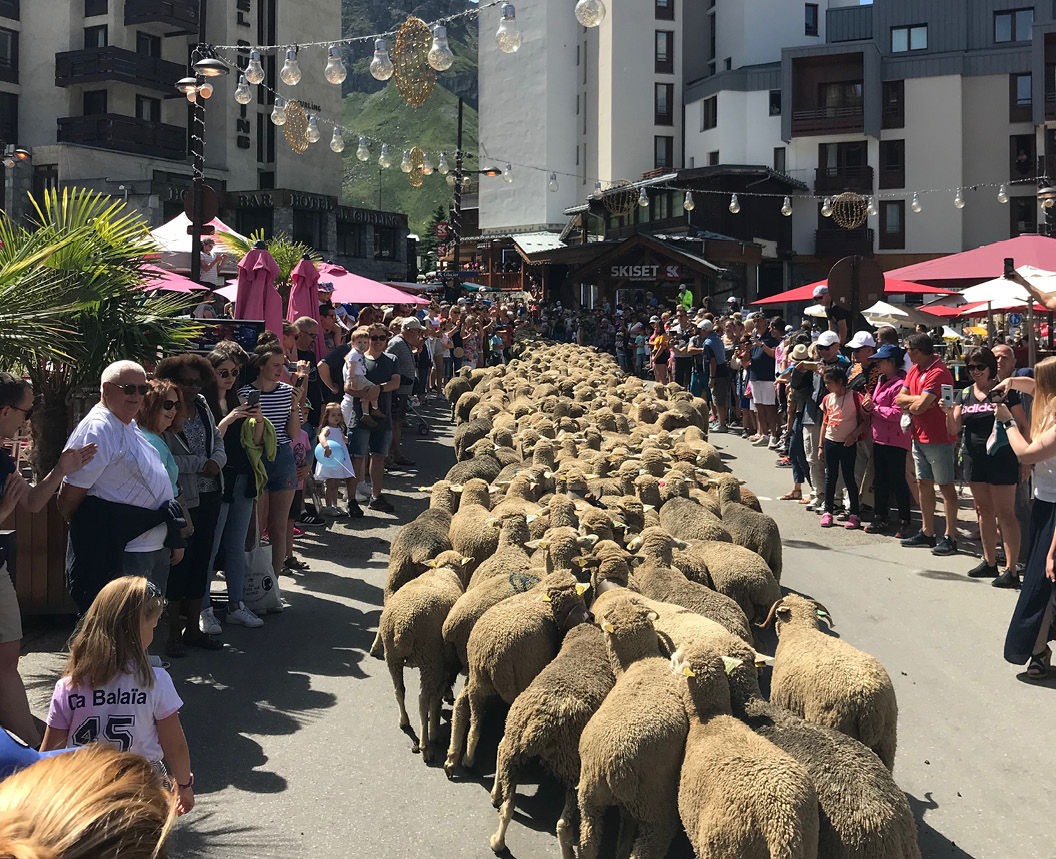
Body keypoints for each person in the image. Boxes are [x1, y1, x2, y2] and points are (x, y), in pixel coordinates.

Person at [40, 577, 194, 815]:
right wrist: (184, 785)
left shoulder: (69, 685)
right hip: (141, 782)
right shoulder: (155, 681)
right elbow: (175, 746)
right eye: (152, 626)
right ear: (136, 629)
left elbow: (50, 753)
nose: (153, 632)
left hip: (85, 784)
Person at [0, 375, 96, 747]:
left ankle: (33, 745)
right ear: (6, 410)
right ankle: (34, 747)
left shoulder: (4, 461)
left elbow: (34, 503)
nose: (27, 420)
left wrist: (62, 469)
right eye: (26, 411)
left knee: (8, 659)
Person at [58, 362, 180, 611]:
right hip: (125, 549)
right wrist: (96, 532)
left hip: (150, 543)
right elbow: (70, 497)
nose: (136, 396)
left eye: (142, 389)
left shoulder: (126, 422)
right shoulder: (98, 428)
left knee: (145, 624)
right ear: (107, 389)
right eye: (129, 389)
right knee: (121, 628)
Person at [155, 354, 226, 658]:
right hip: (184, 498)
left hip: (211, 495)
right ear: (171, 380)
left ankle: (193, 630)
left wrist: (217, 461)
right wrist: (201, 464)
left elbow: (218, 441)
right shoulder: (164, 412)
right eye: (187, 381)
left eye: (198, 382)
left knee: (202, 563)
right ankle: (173, 635)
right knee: (179, 565)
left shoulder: (203, 407)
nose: (194, 388)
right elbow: (161, 457)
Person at [940, 347, 1027, 587]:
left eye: (980, 366)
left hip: (1002, 456)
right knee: (984, 512)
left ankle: (1011, 569)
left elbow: (1023, 424)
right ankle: (989, 562)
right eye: (971, 367)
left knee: (1006, 514)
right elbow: (954, 429)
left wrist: (1025, 460)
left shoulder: (1004, 391)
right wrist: (948, 412)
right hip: (973, 457)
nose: (976, 371)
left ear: (990, 367)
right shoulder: (964, 393)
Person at [0, 745, 178, 857]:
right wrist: (184, 784)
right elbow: (175, 743)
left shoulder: (67, 689)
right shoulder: (155, 685)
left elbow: (55, 736)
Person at [996, 357, 1056, 680]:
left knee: (1041, 584)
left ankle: (1037, 650)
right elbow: (1034, 385)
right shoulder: (1049, 401)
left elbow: (1026, 454)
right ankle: (1039, 649)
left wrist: (1007, 422)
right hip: (1044, 505)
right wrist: (1010, 383)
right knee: (1041, 584)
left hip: (1054, 511)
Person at [202, 343, 265, 632]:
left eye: (234, 372)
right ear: (211, 372)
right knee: (210, 546)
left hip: (241, 477)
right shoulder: (203, 403)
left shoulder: (240, 398)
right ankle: (202, 609)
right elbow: (208, 441)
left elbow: (256, 442)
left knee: (237, 546)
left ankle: (236, 605)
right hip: (216, 481)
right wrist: (229, 418)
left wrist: (258, 418)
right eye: (223, 372)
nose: (229, 377)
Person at [240, 343, 306, 580]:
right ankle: (253, 580)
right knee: (255, 526)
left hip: (282, 456)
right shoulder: (245, 393)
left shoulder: (288, 392)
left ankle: (274, 580)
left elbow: (293, 432)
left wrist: (294, 406)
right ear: (261, 366)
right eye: (276, 365)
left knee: (279, 526)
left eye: (284, 365)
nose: (281, 370)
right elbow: (250, 436)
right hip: (257, 458)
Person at [897, 333, 959, 556]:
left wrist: (916, 400)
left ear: (916, 350)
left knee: (945, 486)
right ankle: (928, 531)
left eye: (907, 349)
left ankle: (950, 537)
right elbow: (899, 399)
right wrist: (920, 398)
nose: (906, 353)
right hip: (918, 435)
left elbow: (919, 406)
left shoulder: (938, 371)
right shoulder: (915, 369)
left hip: (939, 438)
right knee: (923, 483)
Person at [345, 324, 401, 514]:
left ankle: (376, 496)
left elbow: (396, 382)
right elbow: (347, 386)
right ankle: (351, 499)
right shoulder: (356, 358)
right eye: (373, 337)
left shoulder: (391, 359)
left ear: (386, 340)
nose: (377, 341)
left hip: (383, 416)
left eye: (381, 338)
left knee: (378, 457)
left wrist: (379, 388)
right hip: (359, 416)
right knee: (357, 458)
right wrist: (364, 393)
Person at [865, 344, 913, 537]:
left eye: (881, 361)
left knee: (897, 479)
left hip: (896, 438)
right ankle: (880, 517)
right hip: (879, 437)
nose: (878, 365)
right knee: (880, 479)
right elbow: (877, 403)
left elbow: (897, 412)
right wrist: (868, 404)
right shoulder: (881, 380)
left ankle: (905, 520)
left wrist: (874, 408)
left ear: (892, 363)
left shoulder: (902, 382)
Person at [801, 331, 850, 511]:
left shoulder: (845, 366)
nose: (823, 351)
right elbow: (799, 387)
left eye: (827, 347)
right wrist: (799, 372)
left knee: (833, 460)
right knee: (813, 457)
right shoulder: (814, 365)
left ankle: (836, 497)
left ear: (837, 346)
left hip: (835, 417)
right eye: (820, 347)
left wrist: (825, 375)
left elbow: (844, 391)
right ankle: (818, 493)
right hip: (813, 414)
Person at [817, 365, 866, 529]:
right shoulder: (828, 399)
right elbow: (825, 422)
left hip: (847, 443)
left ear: (840, 381)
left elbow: (866, 421)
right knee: (830, 477)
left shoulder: (855, 397)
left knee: (849, 478)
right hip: (830, 441)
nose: (826, 386)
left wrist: (854, 436)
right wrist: (820, 446)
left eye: (829, 383)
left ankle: (854, 513)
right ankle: (828, 511)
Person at [778, 342, 812, 502]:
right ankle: (797, 488)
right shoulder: (796, 372)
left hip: (807, 414)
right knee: (794, 451)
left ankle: (814, 489)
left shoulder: (809, 374)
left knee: (802, 453)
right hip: (799, 413)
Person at [317, 403, 356, 517]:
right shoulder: (327, 429)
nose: (336, 417)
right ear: (327, 416)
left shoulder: (339, 430)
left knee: (336, 483)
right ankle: (329, 506)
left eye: (339, 415)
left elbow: (344, 439)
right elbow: (321, 436)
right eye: (333, 415)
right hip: (330, 459)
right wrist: (326, 446)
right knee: (331, 484)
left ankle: (335, 505)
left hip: (339, 460)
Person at [748, 316, 781, 448]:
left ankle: (773, 435)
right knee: (759, 406)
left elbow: (774, 354)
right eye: (754, 321)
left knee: (769, 407)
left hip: (768, 376)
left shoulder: (771, 336)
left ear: (765, 322)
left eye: (758, 321)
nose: (756, 324)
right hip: (755, 375)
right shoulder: (753, 335)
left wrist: (761, 344)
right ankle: (764, 435)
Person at [345, 327, 384, 427]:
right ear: (353, 343)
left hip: (360, 376)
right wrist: (352, 379)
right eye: (359, 342)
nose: (362, 345)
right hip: (357, 378)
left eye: (365, 342)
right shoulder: (353, 354)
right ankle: (375, 408)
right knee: (373, 389)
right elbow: (351, 367)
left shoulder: (359, 353)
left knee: (366, 394)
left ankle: (366, 414)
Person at [292, 317, 323, 438]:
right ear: (300, 334)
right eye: (312, 336)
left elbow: (316, 381)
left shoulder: (310, 354)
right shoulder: (291, 357)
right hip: (301, 418)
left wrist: (322, 403)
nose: (315, 340)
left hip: (315, 416)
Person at [703, 319, 729, 431]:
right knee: (719, 398)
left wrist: (711, 377)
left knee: (718, 399)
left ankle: (722, 423)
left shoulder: (709, 343)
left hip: (717, 373)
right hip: (723, 371)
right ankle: (720, 421)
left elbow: (712, 361)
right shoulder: (717, 339)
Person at [651, 318, 670, 385]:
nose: (656, 329)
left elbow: (662, 347)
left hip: (661, 355)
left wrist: (655, 357)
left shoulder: (663, 336)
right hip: (656, 353)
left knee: (662, 376)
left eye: (658, 327)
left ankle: (664, 389)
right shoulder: (658, 336)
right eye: (655, 327)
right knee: (657, 375)